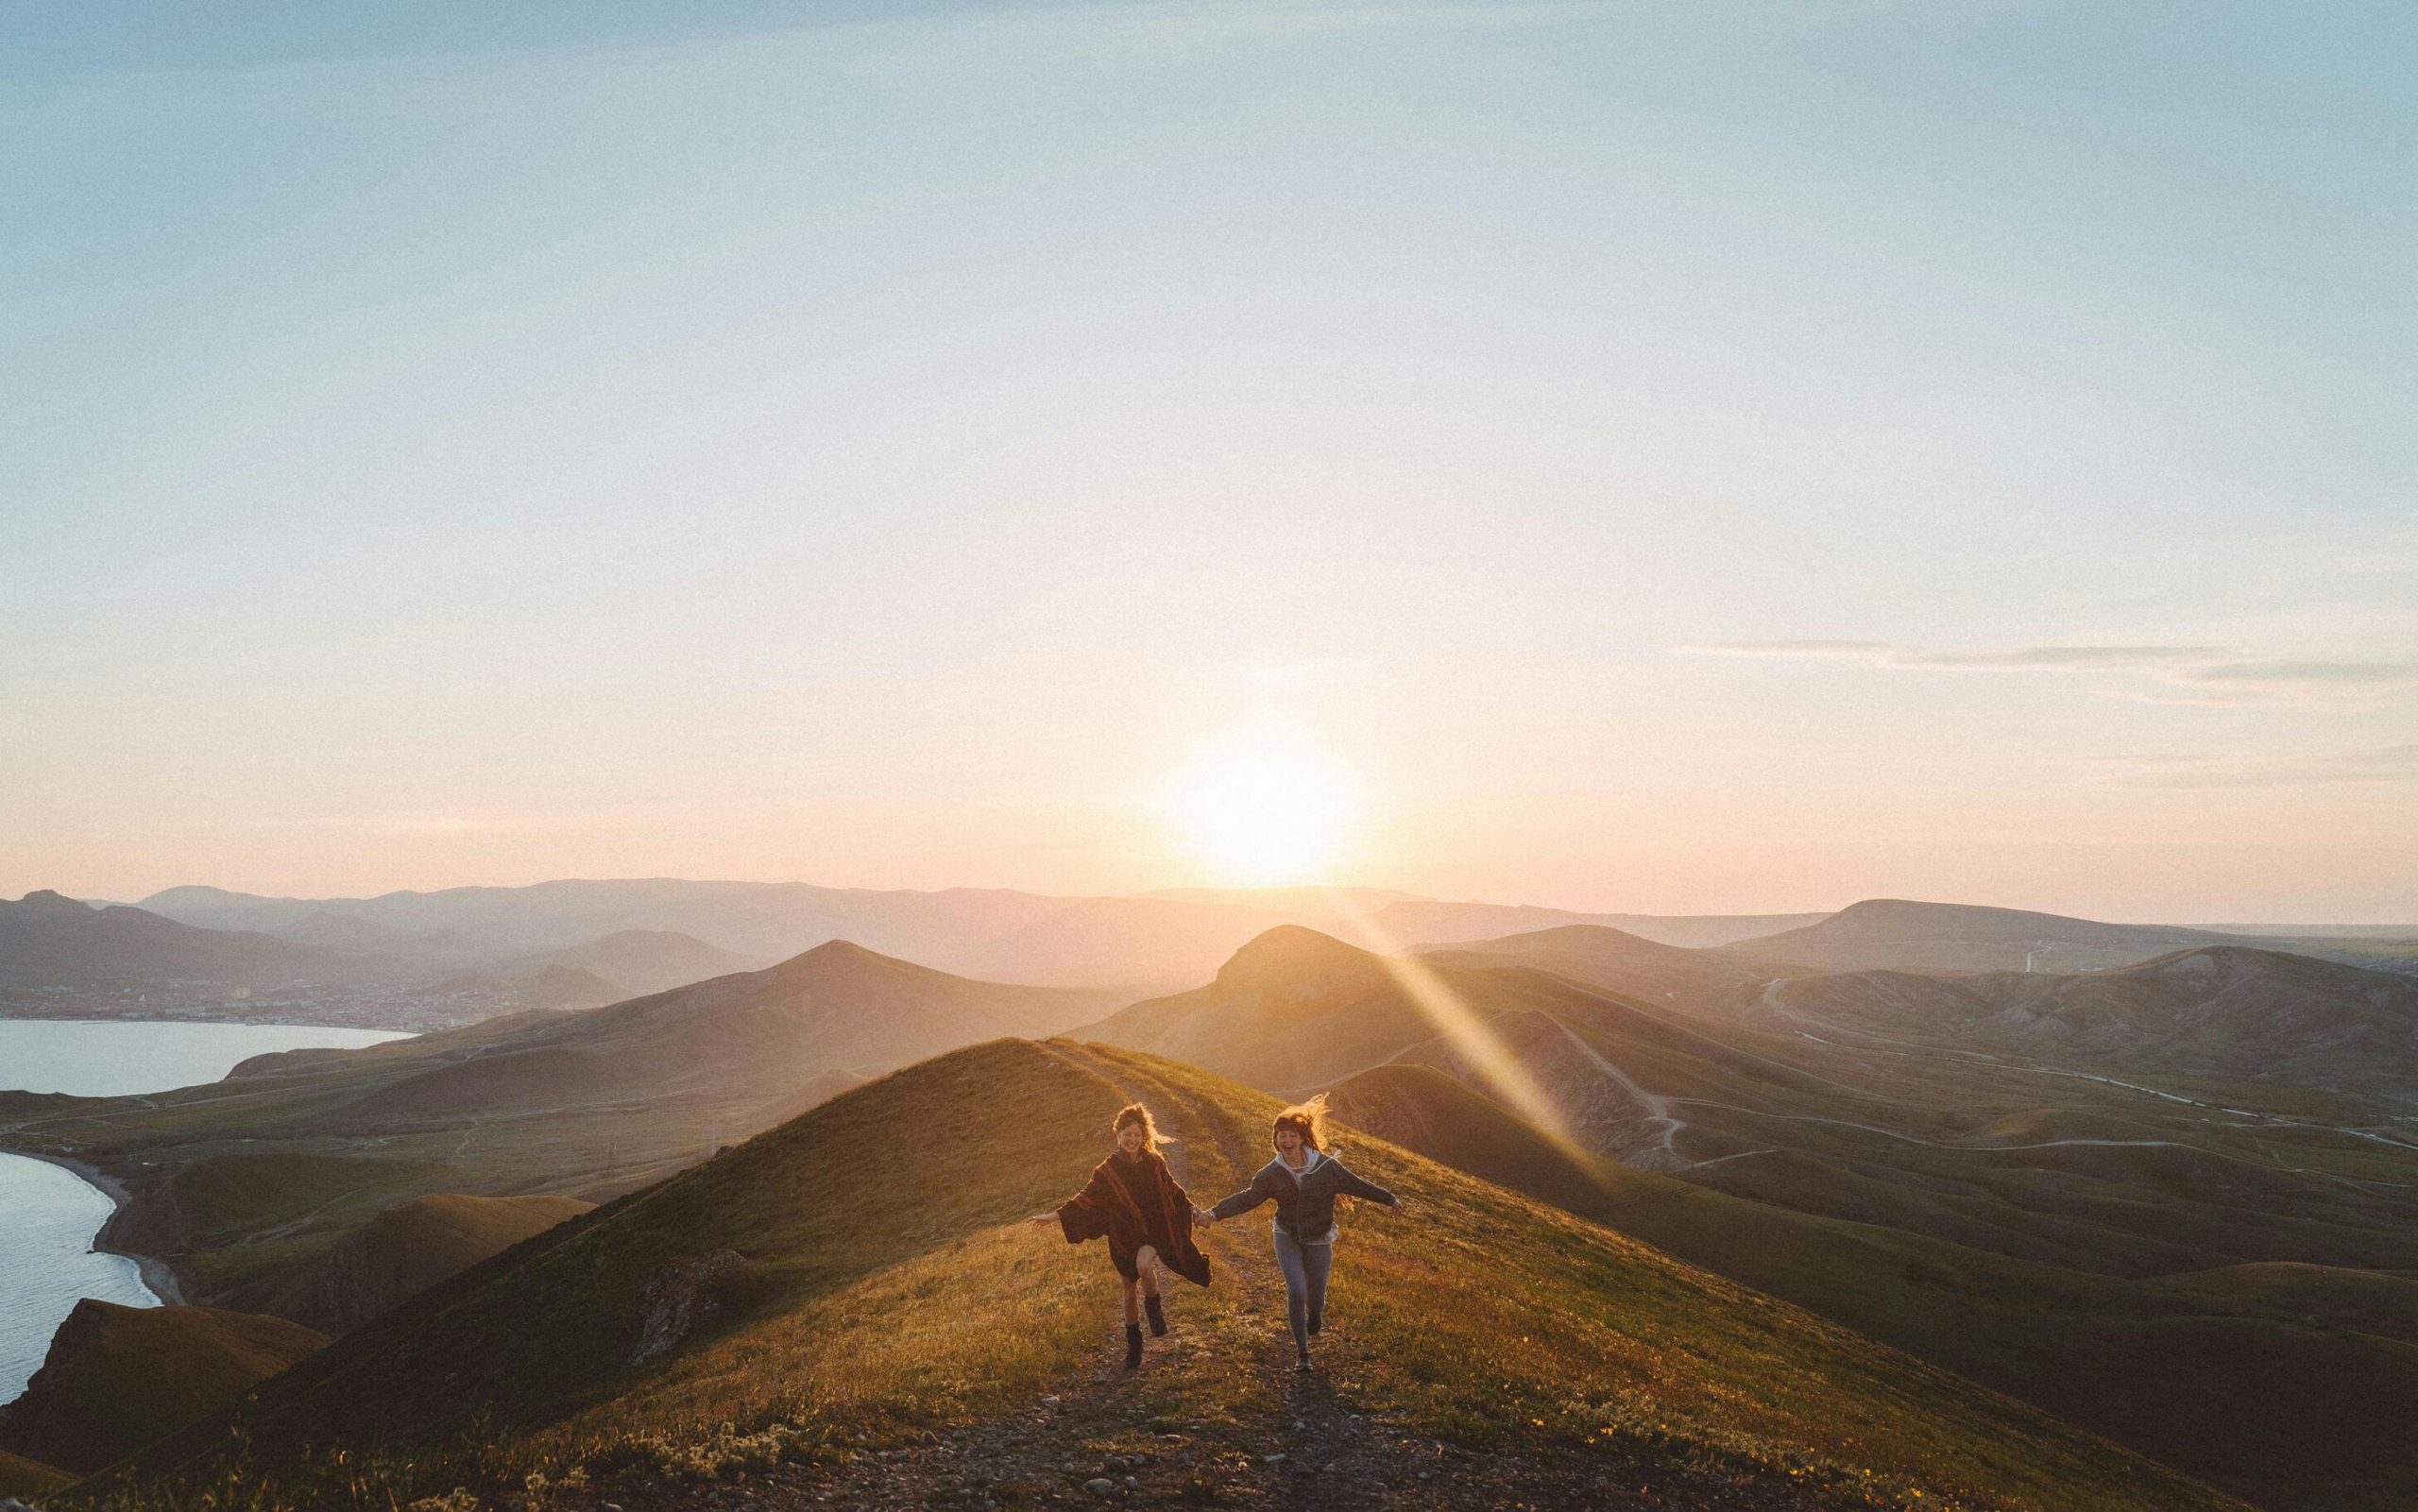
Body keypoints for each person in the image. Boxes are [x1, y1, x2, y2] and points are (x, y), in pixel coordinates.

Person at [1197, 1096, 1404, 1370]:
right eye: (1281, 1135)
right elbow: (1247, 1198)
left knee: (1316, 1297)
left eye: (1292, 1135)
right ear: (1276, 1140)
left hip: (1318, 1237)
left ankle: (1314, 1314)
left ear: (1302, 1138)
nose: (1286, 1140)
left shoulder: (1326, 1167)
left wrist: (1389, 1199)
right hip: (1287, 1236)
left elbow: (1356, 1185)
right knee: (1296, 1289)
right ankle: (1302, 1353)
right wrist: (1212, 1214)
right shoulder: (1271, 1173)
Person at [1029, 1102, 1211, 1368]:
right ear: (1118, 1135)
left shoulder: (1155, 1162)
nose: (1132, 1139)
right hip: (1124, 1236)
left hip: (1153, 1232)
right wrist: (1055, 1216)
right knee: (1127, 1292)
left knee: (1144, 1265)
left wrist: (1194, 1210)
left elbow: (1173, 1190)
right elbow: (1086, 1198)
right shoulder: (1107, 1170)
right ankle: (1134, 1347)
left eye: (1137, 1134)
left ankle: (1154, 1307)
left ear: (1144, 1136)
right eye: (1127, 1134)